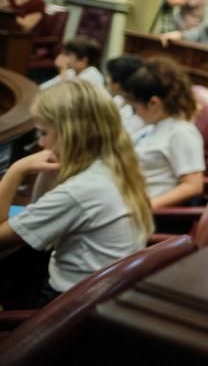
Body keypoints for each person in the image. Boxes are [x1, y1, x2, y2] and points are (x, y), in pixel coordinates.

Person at [0, 80, 153, 308]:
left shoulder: (80, 191)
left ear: (70, 134)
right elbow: (42, 217)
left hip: (68, 306)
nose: (41, 143)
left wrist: (15, 171)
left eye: (43, 133)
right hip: (99, 295)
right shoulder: (114, 165)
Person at [123, 57, 205, 209]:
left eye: (136, 108)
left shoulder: (181, 133)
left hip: (143, 214)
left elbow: (193, 186)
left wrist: (144, 209)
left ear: (154, 103)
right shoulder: (154, 126)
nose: (135, 114)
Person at [40, 36, 105, 90]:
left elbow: (67, 98)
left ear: (82, 61)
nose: (63, 57)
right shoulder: (71, 72)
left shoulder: (92, 76)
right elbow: (42, 88)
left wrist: (63, 69)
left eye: (67, 54)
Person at [106, 55, 145, 136]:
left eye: (110, 76)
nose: (107, 79)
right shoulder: (118, 100)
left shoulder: (138, 115)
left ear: (118, 83)